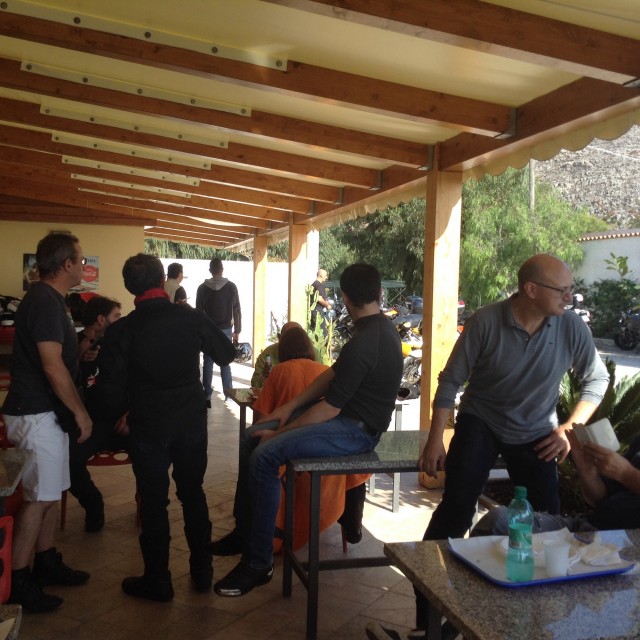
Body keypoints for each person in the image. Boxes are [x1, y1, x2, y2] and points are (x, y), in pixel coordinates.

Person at [372, 254, 610, 640]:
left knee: (547, 526)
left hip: (537, 431)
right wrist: (435, 441)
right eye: (562, 290)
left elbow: (596, 380)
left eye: (570, 289)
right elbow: (450, 382)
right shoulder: (485, 322)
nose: (569, 297)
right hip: (481, 421)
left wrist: (568, 428)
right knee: (455, 511)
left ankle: (531, 623)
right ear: (531, 290)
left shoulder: (570, 327)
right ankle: (426, 623)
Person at [213, 263, 403, 597]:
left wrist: (280, 433)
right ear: (378, 293)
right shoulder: (374, 329)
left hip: (356, 433)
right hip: (346, 422)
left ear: (345, 297)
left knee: (264, 455)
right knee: (249, 437)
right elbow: (330, 375)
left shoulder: (368, 340)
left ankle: (259, 562)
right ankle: (246, 532)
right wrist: (287, 409)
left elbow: (329, 408)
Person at [96, 253, 236, 601]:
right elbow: (226, 354)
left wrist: (120, 414)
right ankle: (202, 572)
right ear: (162, 281)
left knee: (153, 501)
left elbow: (109, 389)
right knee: (193, 492)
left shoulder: (121, 330)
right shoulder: (191, 318)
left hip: (147, 424)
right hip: (189, 419)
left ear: (130, 288)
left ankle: (158, 580)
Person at [212, 325, 370, 557]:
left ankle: (245, 530)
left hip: (286, 459)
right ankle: (352, 527)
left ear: (282, 348)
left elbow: (261, 421)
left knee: (252, 444)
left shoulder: (280, 371)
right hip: (325, 455)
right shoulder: (326, 371)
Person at [3, 232, 92, 613]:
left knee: (50, 493)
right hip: (35, 413)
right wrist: (80, 412)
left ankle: (46, 561)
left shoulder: (52, 300)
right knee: (38, 498)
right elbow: (52, 366)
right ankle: (19, 580)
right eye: (80, 259)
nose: (84, 265)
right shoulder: (44, 300)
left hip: (44, 413)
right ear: (66, 264)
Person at [473, 429, 640, 537]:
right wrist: (586, 470)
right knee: (497, 522)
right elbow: (599, 499)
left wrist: (626, 474)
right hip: (591, 525)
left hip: (625, 539)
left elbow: (626, 476)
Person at [69, 296, 124, 532]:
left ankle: (151, 509)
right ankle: (93, 504)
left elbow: (140, 380)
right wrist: (78, 358)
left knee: (155, 451)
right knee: (67, 460)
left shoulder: (122, 342)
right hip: (91, 423)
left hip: (123, 420)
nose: (121, 321)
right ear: (101, 319)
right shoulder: (73, 343)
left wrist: (132, 412)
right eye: (116, 316)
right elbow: (59, 379)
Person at [195, 257, 241, 405]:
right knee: (225, 361)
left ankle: (207, 394)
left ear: (210, 270)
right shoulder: (231, 286)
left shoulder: (202, 288)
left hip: (208, 329)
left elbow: (198, 312)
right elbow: (236, 309)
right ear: (222, 270)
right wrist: (237, 330)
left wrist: (199, 332)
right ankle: (228, 394)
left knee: (208, 362)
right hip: (226, 328)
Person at [250, 321, 302, 389]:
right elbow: (255, 385)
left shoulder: (312, 353)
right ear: (279, 337)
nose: (292, 343)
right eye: (288, 339)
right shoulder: (268, 354)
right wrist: (264, 376)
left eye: (297, 339)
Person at [309, 268, 332, 336]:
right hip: (318, 311)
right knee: (323, 333)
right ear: (321, 275)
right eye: (325, 275)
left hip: (313, 311)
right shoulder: (319, 285)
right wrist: (327, 305)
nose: (326, 277)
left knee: (314, 331)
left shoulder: (313, 284)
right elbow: (319, 298)